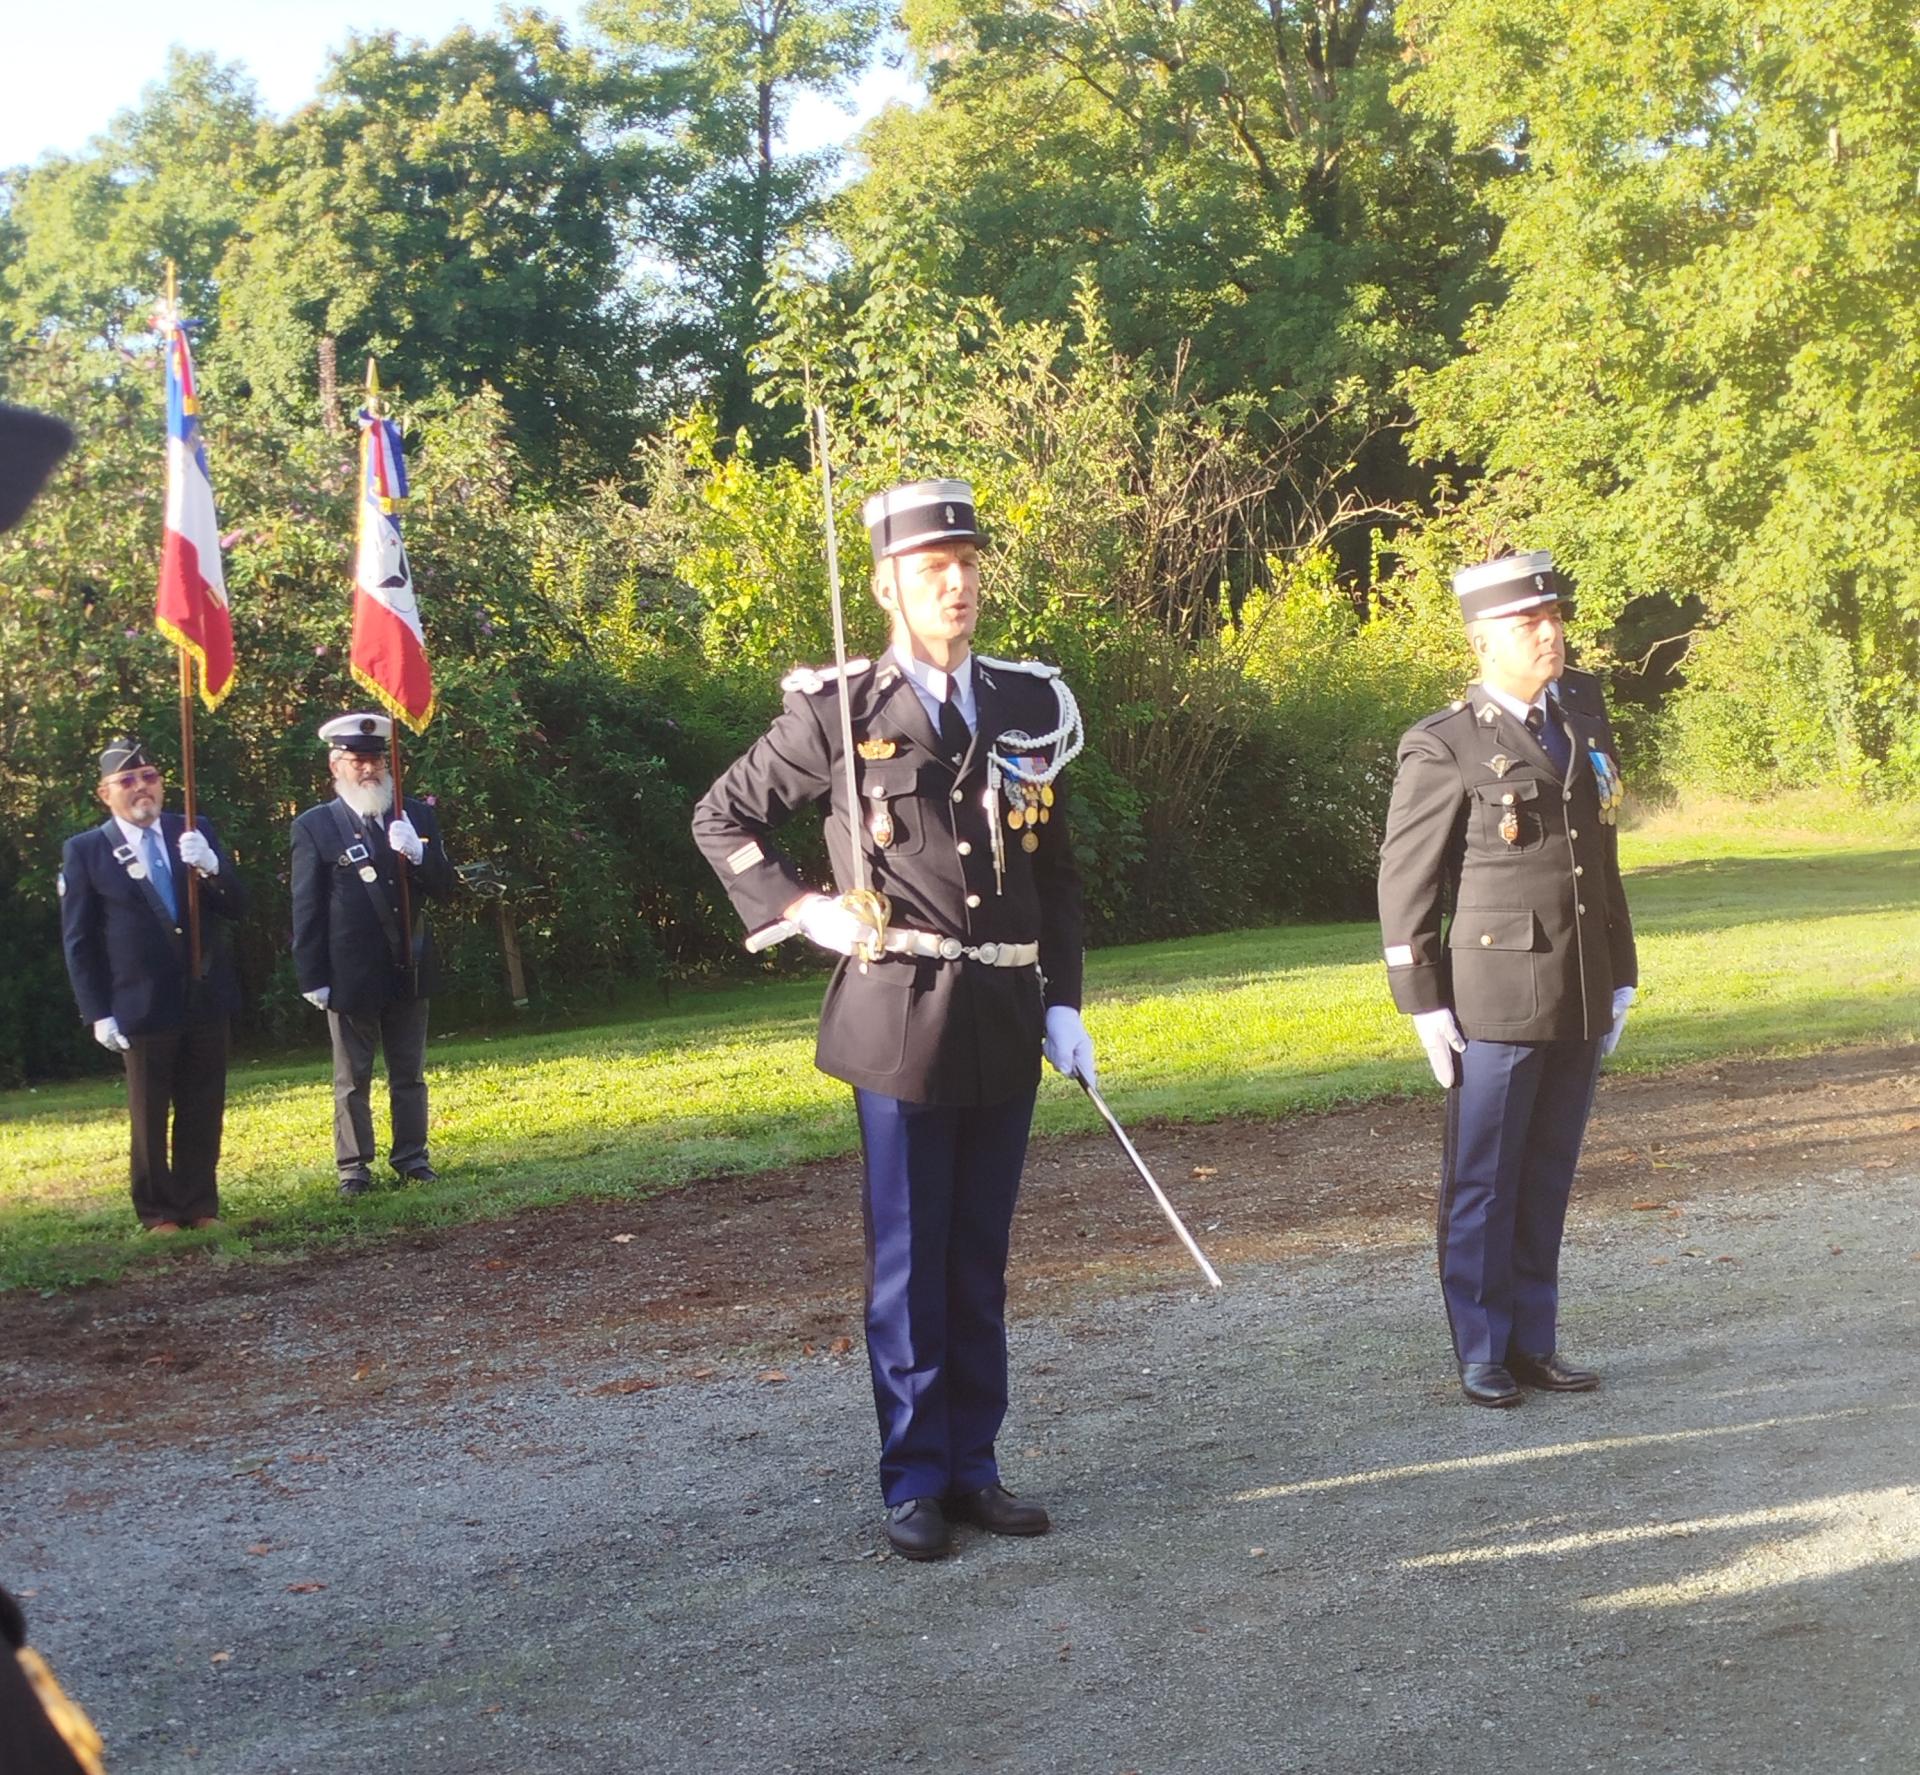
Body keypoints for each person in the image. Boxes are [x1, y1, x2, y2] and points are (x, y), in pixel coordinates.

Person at [693, 478, 1096, 1560]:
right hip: (899, 1012)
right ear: (886, 585)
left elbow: (1055, 877)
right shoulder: (839, 708)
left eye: (966, 565)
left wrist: (1065, 1000)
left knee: (979, 1255)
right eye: (931, 570)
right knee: (911, 1258)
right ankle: (914, 1472)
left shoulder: (1024, 703)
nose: (955, 583)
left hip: (1005, 1010)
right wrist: (803, 908)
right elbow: (720, 816)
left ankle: (977, 1466)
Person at [1378, 551, 1638, 1407]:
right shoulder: (1446, 741)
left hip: (1578, 982)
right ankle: (1482, 1347)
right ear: (1485, 638)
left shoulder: (1580, 715)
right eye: (1530, 622)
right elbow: (1406, 879)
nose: (1550, 631)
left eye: (1555, 615)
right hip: (1493, 991)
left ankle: (1535, 1339)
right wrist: (1421, 1001)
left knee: (1548, 1168)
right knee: (1486, 1177)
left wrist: (1621, 971)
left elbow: (1600, 858)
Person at [60, 738, 246, 1232]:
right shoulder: (87, 850)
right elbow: (79, 941)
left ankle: (200, 1205)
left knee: (202, 1105)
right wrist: (97, 1011)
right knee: (149, 1113)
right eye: (127, 781)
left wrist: (211, 867)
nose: (142, 788)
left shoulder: (192, 830)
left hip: (203, 993)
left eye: (149, 777)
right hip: (138, 1001)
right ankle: (158, 1212)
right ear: (106, 793)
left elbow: (236, 906)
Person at [290, 712, 455, 1195]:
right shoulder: (315, 826)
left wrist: (421, 857)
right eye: (357, 760)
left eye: (376, 759)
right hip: (348, 971)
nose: (369, 769)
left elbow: (446, 889)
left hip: (409, 963)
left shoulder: (415, 817)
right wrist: (311, 975)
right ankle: (354, 1168)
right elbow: (306, 907)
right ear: (335, 765)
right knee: (352, 1079)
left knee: (409, 1073)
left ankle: (412, 1157)